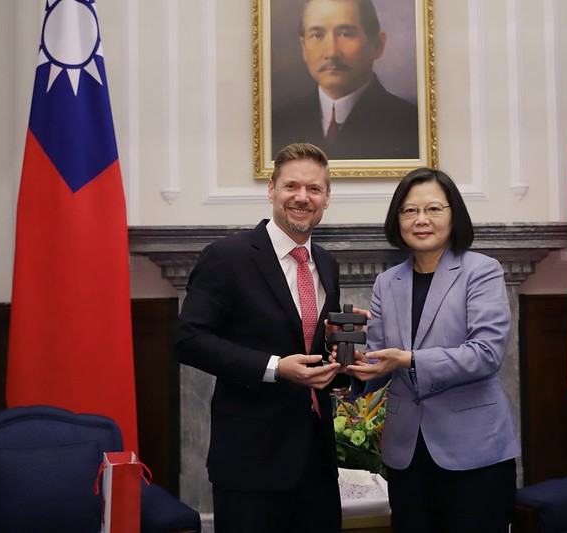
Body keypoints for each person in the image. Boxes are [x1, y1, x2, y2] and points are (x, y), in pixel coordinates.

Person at [174, 143, 344, 532]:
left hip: (317, 461)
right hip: (250, 462)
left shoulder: (327, 264)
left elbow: (313, 347)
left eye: (314, 189)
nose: (302, 197)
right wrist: (275, 368)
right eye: (291, 186)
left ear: (327, 197)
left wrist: (343, 353)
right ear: (272, 190)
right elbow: (189, 338)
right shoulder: (227, 257)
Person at [342, 168, 520, 532]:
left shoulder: (481, 271)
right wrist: (355, 367)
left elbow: (486, 354)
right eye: (409, 210)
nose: (421, 219)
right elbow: (380, 359)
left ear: (454, 215)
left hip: (474, 453)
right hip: (406, 454)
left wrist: (408, 360)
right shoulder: (387, 282)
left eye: (433, 209)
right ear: (398, 219)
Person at [272, 0, 419, 160]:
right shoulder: (277, 124)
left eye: (345, 34)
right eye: (317, 35)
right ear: (304, 48)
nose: (331, 53)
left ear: (378, 45)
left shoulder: (411, 123)